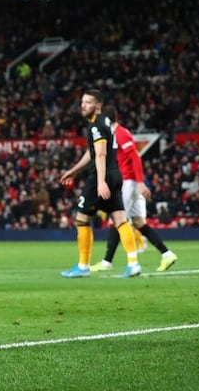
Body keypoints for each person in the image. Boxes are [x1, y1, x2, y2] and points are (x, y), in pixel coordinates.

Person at [58, 90, 140, 279]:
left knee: (82, 219)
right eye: (82, 102)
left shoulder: (96, 125)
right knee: (120, 219)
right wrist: (75, 170)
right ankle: (133, 263)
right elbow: (93, 151)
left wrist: (101, 182)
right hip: (115, 174)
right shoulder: (105, 123)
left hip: (100, 177)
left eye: (87, 102)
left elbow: (100, 154)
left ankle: (83, 266)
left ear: (97, 106)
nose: (83, 106)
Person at [89, 105, 178, 272]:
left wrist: (140, 182)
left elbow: (135, 157)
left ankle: (107, 262)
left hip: (129, 182)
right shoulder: (113, 134)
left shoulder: (121, 134)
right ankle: (167, 254)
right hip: (130, 182)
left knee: (116, 220)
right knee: (139, 222)